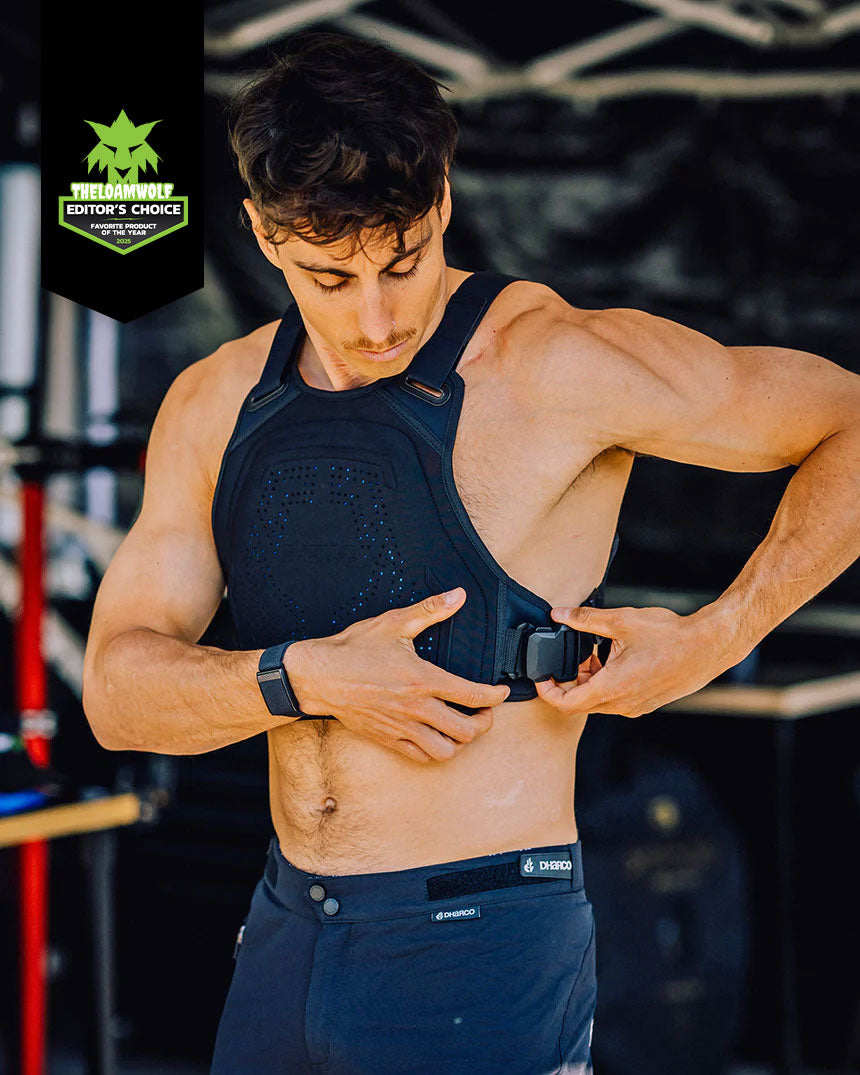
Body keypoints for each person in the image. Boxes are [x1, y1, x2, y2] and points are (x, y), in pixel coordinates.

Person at [81, 29, 860, 1075]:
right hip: (283, 929)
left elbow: (849, 423)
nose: (375, 319)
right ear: (262, 234)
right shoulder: (214, 400)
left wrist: (717, 637)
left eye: (401, 263)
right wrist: (300, 677)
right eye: (328, 276)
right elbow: (117, 694)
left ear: (442, 198)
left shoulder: (557, 362)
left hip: (482, 933)